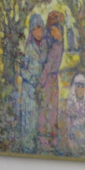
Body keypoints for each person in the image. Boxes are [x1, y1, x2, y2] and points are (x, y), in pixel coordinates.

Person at [38, 11, 65, 153]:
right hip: (48, 78)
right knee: (46, 107)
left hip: (53, 78)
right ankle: (43, 136)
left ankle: (52, 135)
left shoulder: (59, 44)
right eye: (54, 29)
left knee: (53, 107)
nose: (57, 32)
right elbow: (47, 66)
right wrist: (41, 82)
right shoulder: (50, 45)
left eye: (58, 29)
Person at [20, 13, 46, 153]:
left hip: (38, 89)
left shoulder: (43, 47)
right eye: (35, 29)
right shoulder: (29, 48)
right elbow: (22, 69)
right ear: (31, 31)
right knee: (28, 117)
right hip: (28, 89)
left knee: (36, 118)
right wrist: (32, 79)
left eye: (40, 28)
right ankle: (26, 147)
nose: (38, 32)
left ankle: (34, 147)